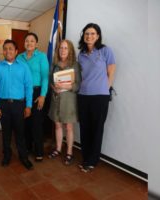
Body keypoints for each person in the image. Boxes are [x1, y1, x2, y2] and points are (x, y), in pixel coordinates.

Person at [77, 23, 116, 172]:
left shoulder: (105, 51)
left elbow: (111, 70)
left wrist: (107, 87)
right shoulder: (81, 54)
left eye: (93, 33)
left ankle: (92, 161)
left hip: (100, 97)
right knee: (84, 128)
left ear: (98, 36)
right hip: (83, 96)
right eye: (87, 33)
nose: (89, 36)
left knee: (97, 129)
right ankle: (86, 158)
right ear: (83, 36)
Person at [0, 39, 34, 170]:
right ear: (3, 51)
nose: (8, 51)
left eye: (11, 49)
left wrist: (28, 106)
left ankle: (23, 157)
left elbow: (29, 87)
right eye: (5, 49)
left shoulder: (23, 67)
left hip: (19, 105)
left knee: (20, 132)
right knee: (6, 133)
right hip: (3, 104)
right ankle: (7, 156)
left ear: (16, 52)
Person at [17, 32, 49, 162]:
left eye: (32, 41)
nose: (29, 43)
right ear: (24, 44)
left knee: (36, 123)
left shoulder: (42, 57)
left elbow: (45, 78)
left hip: (37, 92)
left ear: (36, 44)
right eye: (27, 41)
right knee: (25, 122)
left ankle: (39, 151)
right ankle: (28, 147)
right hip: (22, 93)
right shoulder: (19, 57)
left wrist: (43, 95)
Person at [48, 40, 81, 165]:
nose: (63, 50)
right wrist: (53, 87)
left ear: (70, 50)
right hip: (56, 99)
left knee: (69, 127)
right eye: (61, 48)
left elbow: (78, 85)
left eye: (65, 48)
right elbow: (51, 81)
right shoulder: (54, 65)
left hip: (69, 101)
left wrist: (67, 87)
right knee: (57, 125)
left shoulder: (75, 65)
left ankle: (69, 152)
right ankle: (58, 149)